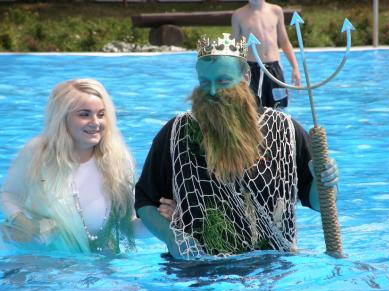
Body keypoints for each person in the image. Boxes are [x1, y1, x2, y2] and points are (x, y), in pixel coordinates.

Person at [135, 34, 339, 260]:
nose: (212, 91)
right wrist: (172, 238)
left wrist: (326, 182)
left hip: (271, 269)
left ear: (245, 78)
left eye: (223, 82)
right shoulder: (176, 132)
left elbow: (319, 204)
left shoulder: (285, 131)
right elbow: (144, 201)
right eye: (204, 83)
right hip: (197, 269)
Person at [0, 78, 140, 254]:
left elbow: (130, 226)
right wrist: (25, 223)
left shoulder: (118, 161)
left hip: (92, 263)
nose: (95, 122)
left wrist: (164, 221)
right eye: (84, 114)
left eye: (101, 114)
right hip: (38, 259)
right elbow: (9, 195)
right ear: (61, 118)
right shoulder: (38, 153)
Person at [232, 0, 301, 109]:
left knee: (279, 109)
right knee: (253, 109)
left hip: (274, 70)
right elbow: (234, 46)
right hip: (251, 70)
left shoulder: (276, 11)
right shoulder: (238, 15)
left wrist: (295, 67)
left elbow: (284, 41)